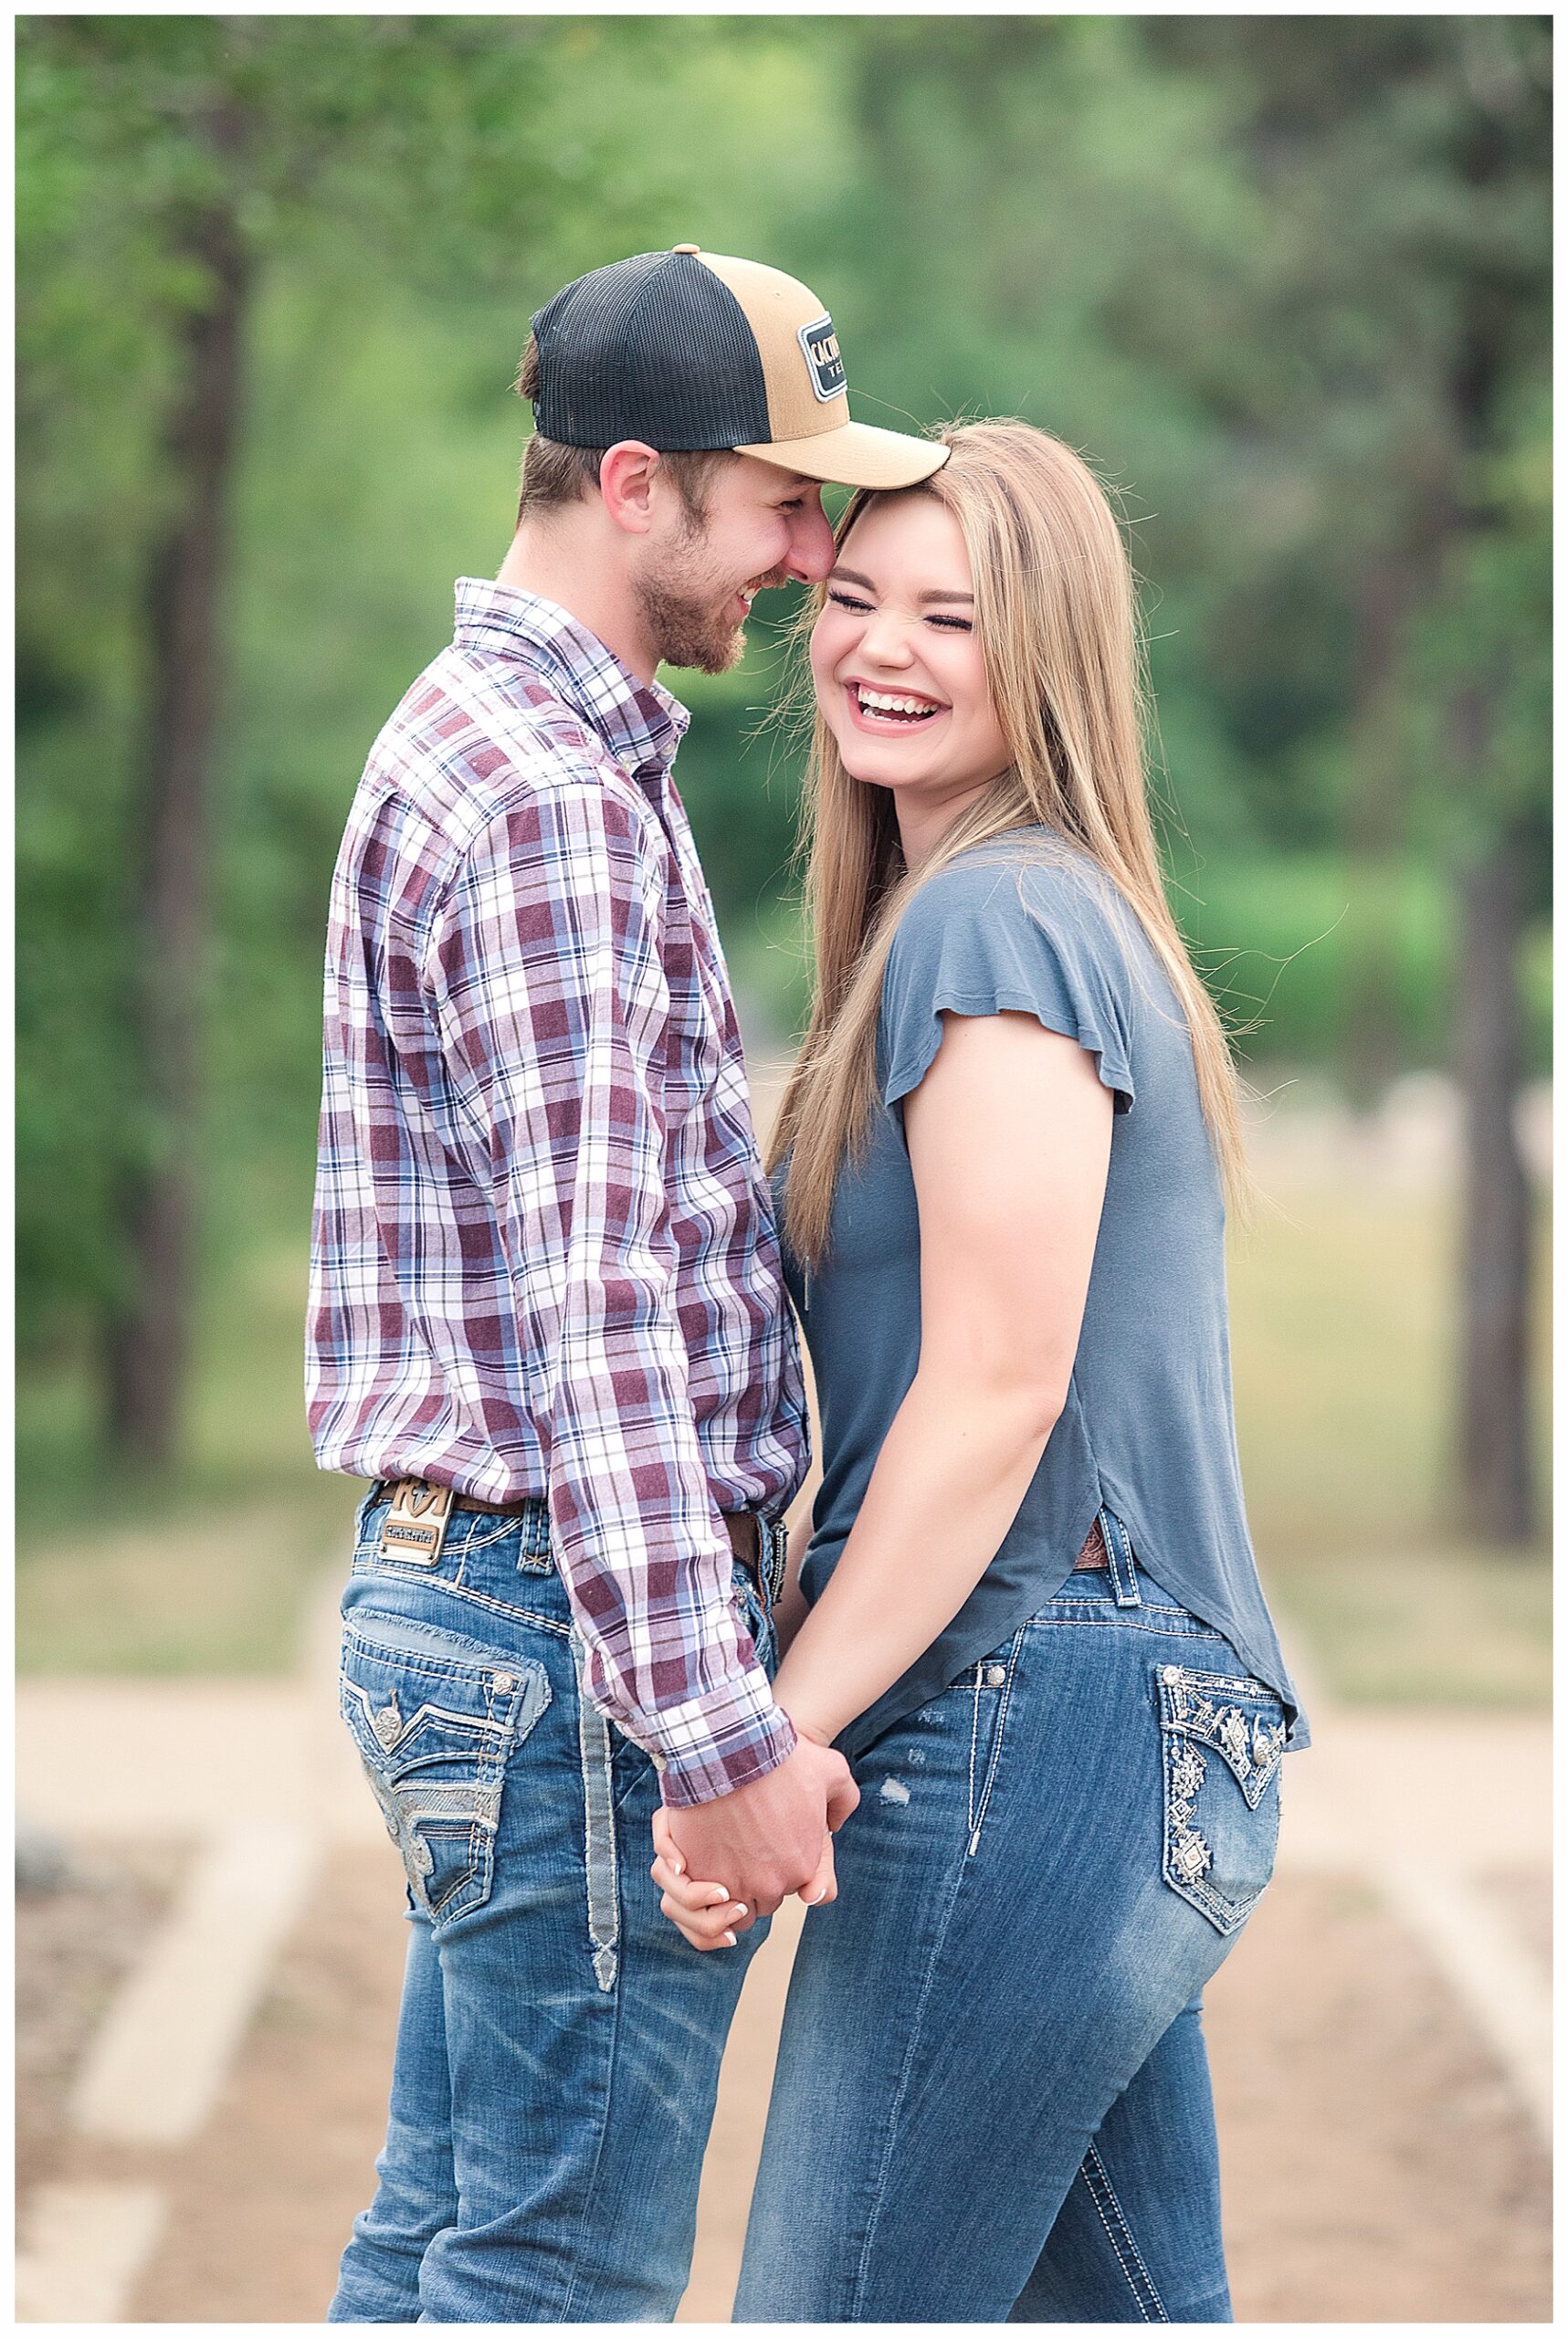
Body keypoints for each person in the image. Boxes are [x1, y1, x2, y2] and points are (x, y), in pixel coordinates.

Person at [305, 245, 947, 2322]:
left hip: (485, 1605)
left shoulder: (515, 737)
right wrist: (713, 1729)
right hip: (561, 1637)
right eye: (785, 500)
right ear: (642, 481)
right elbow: (597, 1315)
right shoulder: (549, 796)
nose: (811, 549)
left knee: (443, 2247)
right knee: (555, 2279)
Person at [650, 419, 1310, 2322]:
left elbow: (996, 1388)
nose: (883, 646)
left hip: (1039, 1709)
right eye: (853, 598)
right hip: (1096, 1718)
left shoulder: (997, 915)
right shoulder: (965, 918)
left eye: (955, 615)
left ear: (1052, 662)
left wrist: (770, 1736)